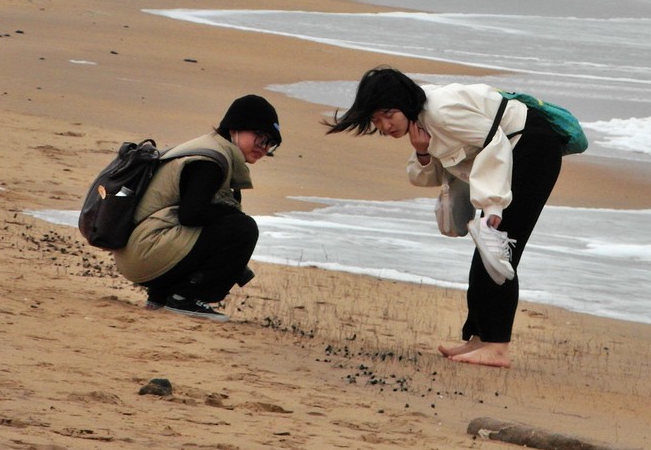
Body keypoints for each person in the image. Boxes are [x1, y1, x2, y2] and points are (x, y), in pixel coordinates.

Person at [327, 67, 563, 368]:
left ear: (404, 102)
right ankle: (479, 338)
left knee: (499, 253)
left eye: (388, 114)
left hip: (533, 149)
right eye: (376, 120)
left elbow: (496, 144)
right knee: (486, 249)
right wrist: (423, 152)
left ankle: (498, 347)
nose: (385, 125)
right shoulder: (423, 121)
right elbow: (426, 174)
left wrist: (492, 207)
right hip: (511, 158)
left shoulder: (439, 112)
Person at [112, 94, 283, 322]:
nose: (263, 148)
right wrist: (232, 215)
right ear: (236, 128)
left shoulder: (209, 148)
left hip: (135, 252)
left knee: (227, 224)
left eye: (270, 143)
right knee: (242, 228)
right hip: (143, 253)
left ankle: (161, 296)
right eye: (260, 138)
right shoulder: (210, 161)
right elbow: (191, 214)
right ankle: (186, 298)